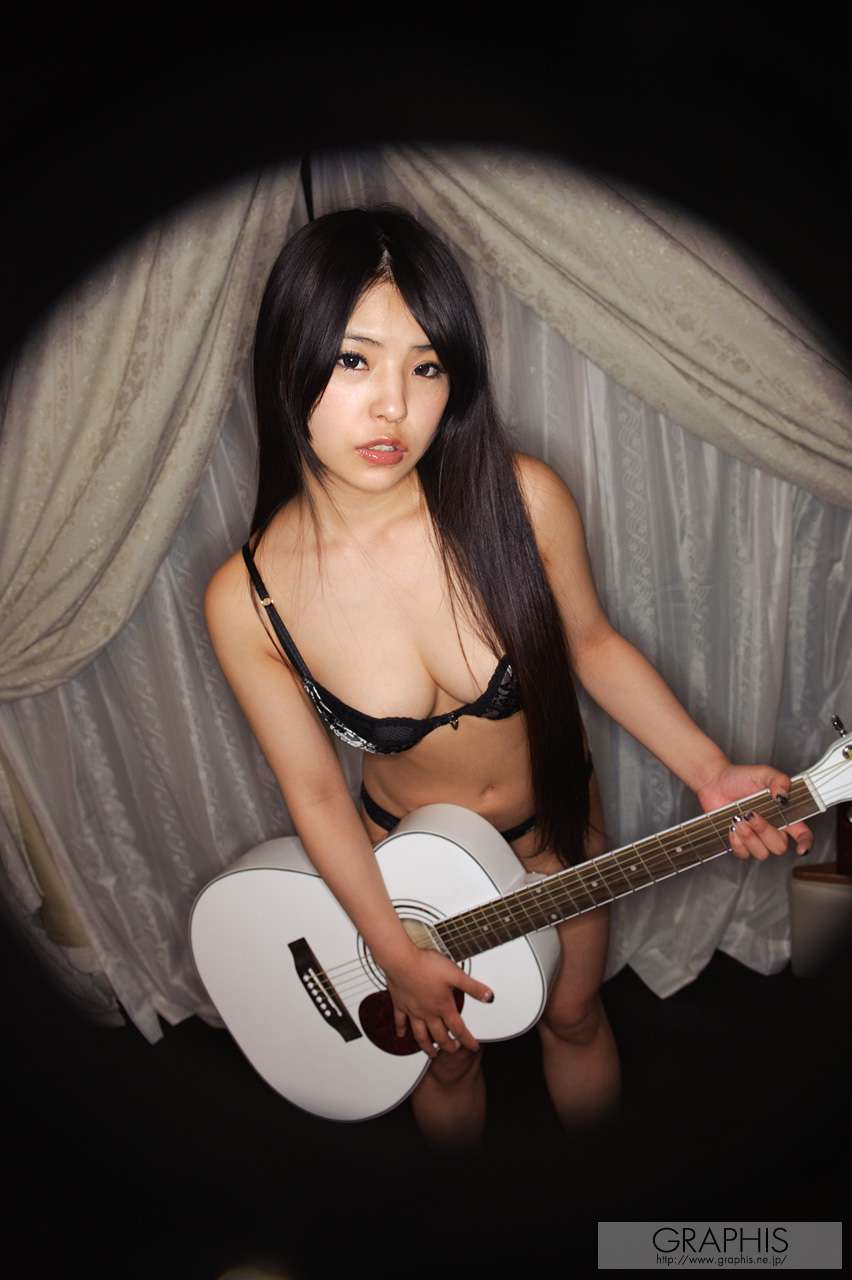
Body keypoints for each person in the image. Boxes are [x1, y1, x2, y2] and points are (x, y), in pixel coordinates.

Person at [204, 204, 813, 1149]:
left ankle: (608, 1212)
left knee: (575, 1016)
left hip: (554, 838)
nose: (393, 405)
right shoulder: (247, 599)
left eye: (426, 366)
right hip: (403, 872)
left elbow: (593, 646)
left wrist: (709, 771)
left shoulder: (522, 501)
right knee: (448, 1058)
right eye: (355, 359)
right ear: (289, 359)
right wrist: (394, 950)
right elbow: (316, 793)